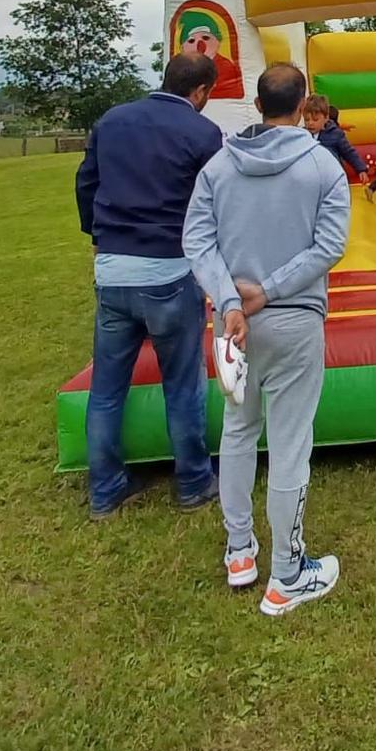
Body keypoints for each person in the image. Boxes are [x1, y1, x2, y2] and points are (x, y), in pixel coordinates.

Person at [182, 62, 351, 617]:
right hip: (294, 319)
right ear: (304, 106)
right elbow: (329, 247)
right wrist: (265, 292)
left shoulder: (217, 169)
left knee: (237, 432)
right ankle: (286, 573)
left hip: (236, 326)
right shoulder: (323, 166)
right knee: (289, 445)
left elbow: (196, 242)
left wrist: (231, 299)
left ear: (257, 105)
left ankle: (240, 551)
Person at [74, 53, 225, 518]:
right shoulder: (202, 132)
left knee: (106, 387)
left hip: (113, 269)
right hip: (167, 269)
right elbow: (216, 198)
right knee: (181, 383)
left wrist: (98, 235)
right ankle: (194, 482)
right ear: (200, 92)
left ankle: (104, 488)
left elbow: (86, 182)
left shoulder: (113, 120)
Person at [301, 94, 366, 182]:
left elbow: (349, 152)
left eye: (315, 120)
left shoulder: (335, 134)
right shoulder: (303, 135)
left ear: (326, 118)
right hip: (311, 178)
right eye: (307, 120)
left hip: (333, 177)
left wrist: (361, 169)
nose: (310, 123)